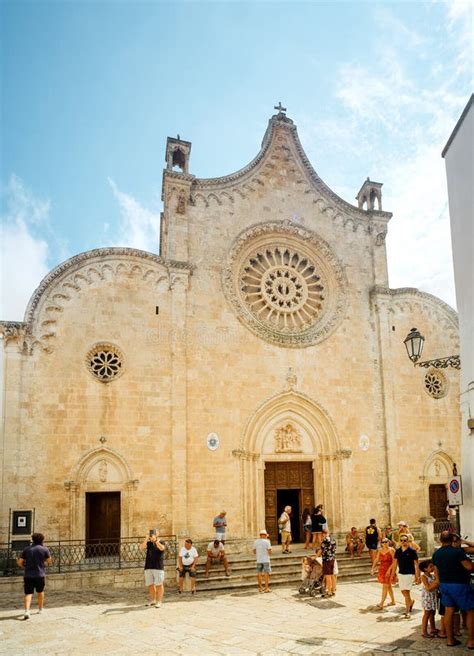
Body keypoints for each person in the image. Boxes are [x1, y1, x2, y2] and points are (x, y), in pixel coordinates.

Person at [432, 530, 474, 648]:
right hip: (459, 584)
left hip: (445, 585)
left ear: (440, 540)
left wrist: (439, 584)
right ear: (452, 540)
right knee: (470, 610)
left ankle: (450, 640)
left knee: (448, 612)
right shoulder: (457, 552)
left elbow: (436, 572)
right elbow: (469, 567)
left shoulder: (436, 554)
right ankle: (471, 641)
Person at [16, 532, 52, 620]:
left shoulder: (27, 549)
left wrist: (23, 566)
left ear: (33, 540)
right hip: (40, 574)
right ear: (42, 540)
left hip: (28, 575)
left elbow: (20, 562)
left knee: (28, 593)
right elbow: (49, 561)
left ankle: (27, 611)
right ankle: (40, 609)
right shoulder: (44, 549)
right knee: (40, 591)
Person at [389, 533, 420, 618]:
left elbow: (417, 564)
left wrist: (418, 576)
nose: (403, 542)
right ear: (400, 542)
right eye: (401, 540)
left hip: (409, 574)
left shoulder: (412, 551)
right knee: (403, 591)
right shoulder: (398, 551)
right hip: (401, 573)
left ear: (408, 541)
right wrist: (392, 575)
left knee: (406, 592)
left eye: (405, 540)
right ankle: (411, 602)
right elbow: (395, 564)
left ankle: (407, 611)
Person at [140, 529, 166, 607]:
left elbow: (162, 548)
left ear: (158, 534)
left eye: (153, 533)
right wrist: (146, 538)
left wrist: (156, 541)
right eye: (150, 534)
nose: (152, 535)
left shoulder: (161, 542)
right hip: (148, 566)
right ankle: (152, 600)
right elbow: (142, 547)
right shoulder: (148, 543)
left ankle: (159, 601)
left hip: (158, 567)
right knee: (150, 584)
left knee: (159, 584)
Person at [370, 537, 396, 609]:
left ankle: (381, 603)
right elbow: (376, 559)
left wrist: (389, 570)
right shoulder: (380, 550)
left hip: (389, 569)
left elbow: (394, 561)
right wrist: (372, 568)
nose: (385, 543)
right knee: (388, 586)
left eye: (386, 542)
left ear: (388, 542)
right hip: (382, 569)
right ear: (381, 543)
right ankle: (393, 601)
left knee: (385, 586)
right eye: (383, 542)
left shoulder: (391, 550)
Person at [419, 560, 439, 638]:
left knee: (432, 613)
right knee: (427, 614)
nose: (432, 567)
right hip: (427, 598)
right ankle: (424, 631)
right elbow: (428, 588)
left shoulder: (432, 576)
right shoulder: (424, 576)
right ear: (425, 569)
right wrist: (436, 581)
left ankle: (433, 628)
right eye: (430, 566)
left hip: (433, 597)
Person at [253, 529, 272, 593]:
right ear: (265, 535)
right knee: (266, 574)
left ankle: (260, 588)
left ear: (260, 535)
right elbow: (270, 551)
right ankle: (266, 588)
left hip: (259, 560)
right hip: (266, 560)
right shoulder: (267, 541)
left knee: (259, 573)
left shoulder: (256, 541)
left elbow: (254, 551)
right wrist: (268, 554)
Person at [320, 529, 337, 597]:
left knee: (328, 576)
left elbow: (321, 550)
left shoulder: (325, 540)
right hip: (332, 559)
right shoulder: (333, 539)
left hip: (326, 560)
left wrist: (315, 557)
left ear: (323, 534)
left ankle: (329, 592)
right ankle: (333, 590)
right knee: (332, 575)